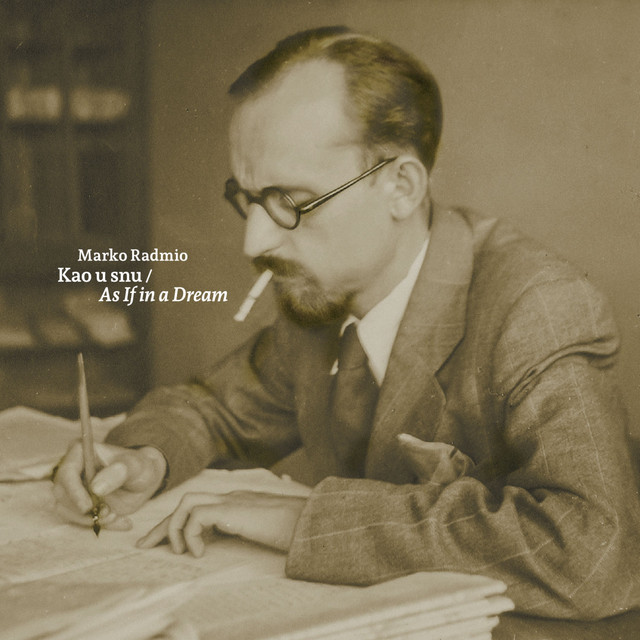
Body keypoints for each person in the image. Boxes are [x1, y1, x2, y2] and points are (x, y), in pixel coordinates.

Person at [53, 26, 640, 619]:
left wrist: (308, 522)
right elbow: (213, 408)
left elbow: (593, 552)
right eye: (248, 199)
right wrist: (144, 458)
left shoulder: (538, 307)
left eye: (290, 202)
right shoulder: (323, 299)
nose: (255, 241)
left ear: (401, 187)